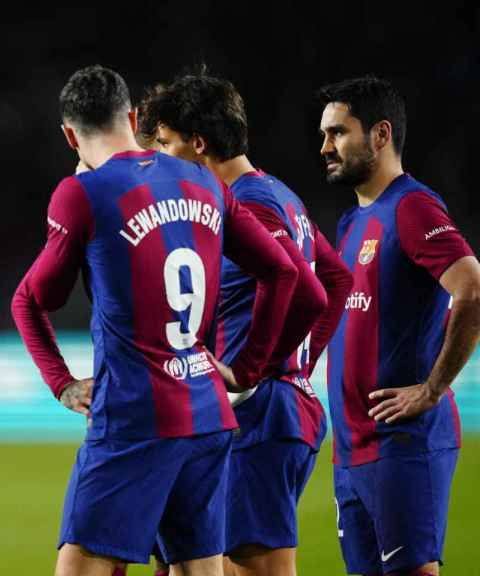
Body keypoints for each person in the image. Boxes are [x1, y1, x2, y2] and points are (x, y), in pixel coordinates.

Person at [11, 64, 299, 576]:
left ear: (69, 135)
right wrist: (249, 368)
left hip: (134, 421)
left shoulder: (81, 194)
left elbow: (34, 299)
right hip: (208, 416)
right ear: (134, 115)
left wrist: (61, 383)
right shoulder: (200, 179)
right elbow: (281, 271)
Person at [149, 71, 352, 576]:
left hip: (260, 414)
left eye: (165, 143)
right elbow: (337, 278)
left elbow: (310, 289)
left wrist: (252, 368)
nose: (159, 158)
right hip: (271, 409)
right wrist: (298, 361)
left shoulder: (250, 203)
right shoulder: (277, 193)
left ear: (198, 145)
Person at [318, 76, 480, 576]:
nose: (325, 147)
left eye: (338, 133)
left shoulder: (411, 207)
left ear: (381, 135)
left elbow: (471, 286)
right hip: (352, 450)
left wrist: (432, 389)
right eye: (325, 134)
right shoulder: (352, 222)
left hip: (402, 446)